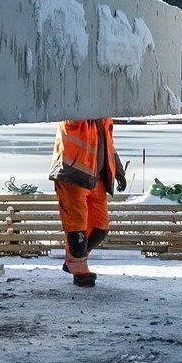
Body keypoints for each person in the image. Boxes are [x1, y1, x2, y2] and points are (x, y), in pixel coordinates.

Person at [49, 116, 125, 287]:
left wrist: (118, 171)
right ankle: (80, 271)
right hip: (72, 176)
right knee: (77, 233)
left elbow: (108, 145)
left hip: (96, 180)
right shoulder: (73, 116)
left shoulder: (104, 118)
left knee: (100, 229)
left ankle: (74, 259)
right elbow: (70, 115)